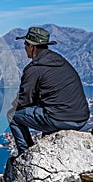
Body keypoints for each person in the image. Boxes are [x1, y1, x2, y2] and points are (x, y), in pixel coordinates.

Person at [7, 26, 90, 156]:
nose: (24, 47)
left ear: (32, 46)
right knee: (46, 112)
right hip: (81, 118)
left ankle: (25, 155)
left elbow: (24, 100)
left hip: (60, 119)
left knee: (12, 116)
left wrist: (14, 106)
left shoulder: (34, 68)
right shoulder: (60, 60)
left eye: (25, 44)